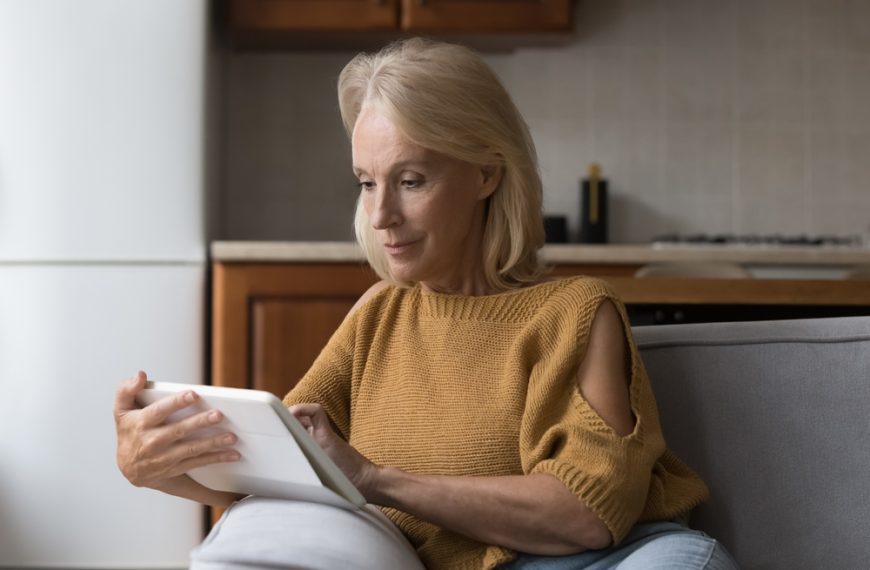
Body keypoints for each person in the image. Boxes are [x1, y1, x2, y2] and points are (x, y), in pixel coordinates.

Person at [114, 38, 739, 570]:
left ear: (487, 173)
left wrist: (376, 479)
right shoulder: (379, 314)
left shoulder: (576, 312)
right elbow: (287, 472)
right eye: (367, 183)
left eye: (411, 181)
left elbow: (586, 517)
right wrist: (154, 467)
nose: (380, 214)